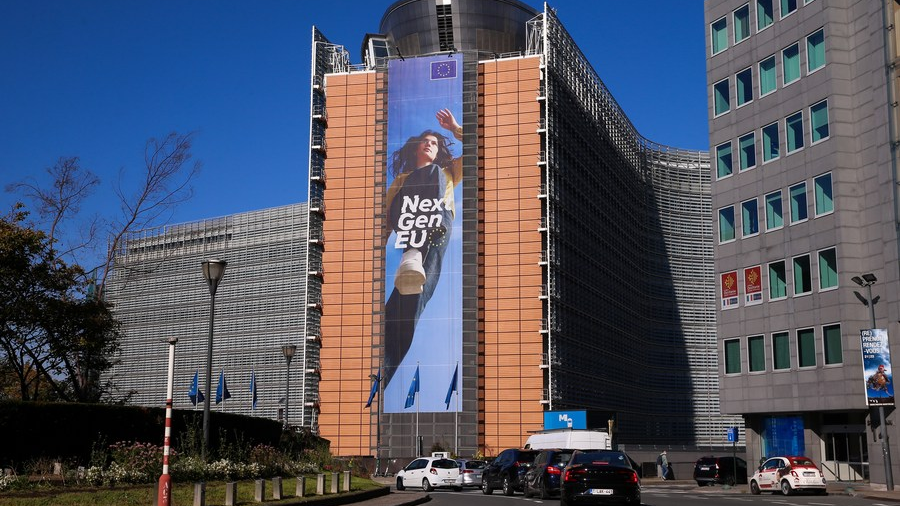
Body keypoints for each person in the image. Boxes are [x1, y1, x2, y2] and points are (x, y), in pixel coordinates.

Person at [382, 108, 463, 390]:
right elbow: (385, 221)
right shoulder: (401, 181)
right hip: (407, 228)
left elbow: (482, 144)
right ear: (416, 146)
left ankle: (413, 255)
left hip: (438, 227)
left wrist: (455, 128)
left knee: (413, 299)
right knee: (396, 315)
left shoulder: (448, 172)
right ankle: (379, 378)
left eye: (435, 143)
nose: (429, 144)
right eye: (425, 141)